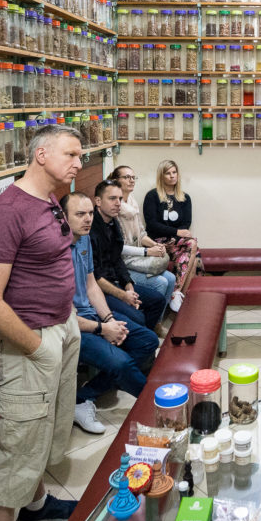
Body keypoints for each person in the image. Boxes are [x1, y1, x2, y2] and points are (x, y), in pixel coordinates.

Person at [0, 124, 86, 521]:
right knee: (17, 443)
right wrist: (37, 348)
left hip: (61, 328)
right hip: (29, 344)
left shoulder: (50, 202)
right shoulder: (7, 211)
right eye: (72, 154)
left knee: (46, 428)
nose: (79, 162)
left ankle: (36, 502)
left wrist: (70, 320)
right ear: (41, 154)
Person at [64, 191, 160, 434]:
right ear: (63, 218)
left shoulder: (84, 239)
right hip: (71, 327)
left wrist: (109, 319)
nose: (87, 219)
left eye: (89, 213)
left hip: (94, 316)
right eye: (79, 214)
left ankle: (83, 396)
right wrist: (102, 329)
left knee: (147, 341)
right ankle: (158, 410)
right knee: (123, 363)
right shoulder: (55, 251)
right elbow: (63, 316)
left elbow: (91, 284)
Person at [90, 179, 171, 330]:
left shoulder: (113, 223)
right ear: (98, 201)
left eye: (120, 199)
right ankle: (141, 338)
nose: (118, 203)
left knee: (157, 300)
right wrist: (123, 295)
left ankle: (144, 336)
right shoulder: (91, 228)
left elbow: (117, 260)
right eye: (112, 198)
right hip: (100, 290)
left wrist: (129, 286)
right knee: (137, 316)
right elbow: (95, 277)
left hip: (115, 282)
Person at [111, 165, 173, 280]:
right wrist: (148, 251)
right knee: (162, 280)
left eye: (134, 177)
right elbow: (118, 247)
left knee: (167, 264)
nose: (132, 180)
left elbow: (141, 234)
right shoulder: (114, 207)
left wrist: (156, 246)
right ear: (116, 181)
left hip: (137, 253)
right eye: (127, 177)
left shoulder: (132, 203)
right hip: (122, 258)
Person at [142, 159, 199, 279]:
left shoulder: (185, 198)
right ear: (161, 176)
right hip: (156, 242)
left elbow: (186, 223)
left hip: (175, 241)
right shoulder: (152, 196)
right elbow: (152, 224)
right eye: (168, 173)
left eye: (174, 172)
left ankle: (178, 294)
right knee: (193, 256)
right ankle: (178, 294)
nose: (172, 176)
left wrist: (175, 238)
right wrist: (176, 232)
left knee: (193, 256)